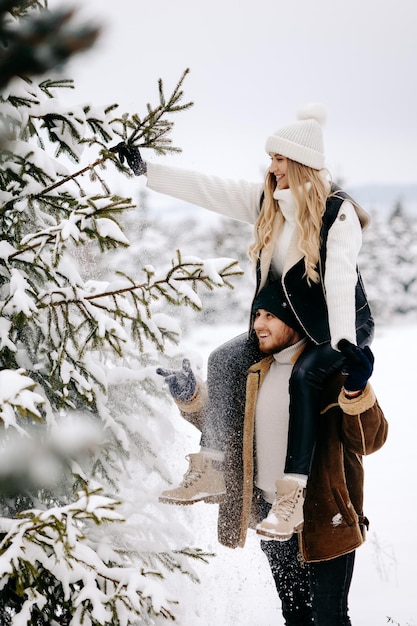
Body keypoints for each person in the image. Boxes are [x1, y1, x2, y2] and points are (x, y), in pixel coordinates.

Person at [117, 103, 374, 538]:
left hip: (338, 325)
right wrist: (149, 171)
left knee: (305, 378)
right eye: (271, 159)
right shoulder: (267, 202)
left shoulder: (337, 212)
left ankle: (291, 493)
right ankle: (213, 466)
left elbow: (342, 277)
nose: (272, 168)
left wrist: (346, 345)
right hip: (285, 324)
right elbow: (209, 189)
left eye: (279, 159)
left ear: (301, 163)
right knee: (223, 359)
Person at [157, 282, 388, 625]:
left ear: (297, 317)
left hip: (324, 519)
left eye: (270, 316)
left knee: (329, 617)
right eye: (256, 315)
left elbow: (370, 440)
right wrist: (192, 398)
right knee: (294, 615)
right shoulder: (255, 373)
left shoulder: (327, 375)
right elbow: (227, 432)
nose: (258, 325)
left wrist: (356, 390)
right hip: (272, 517)